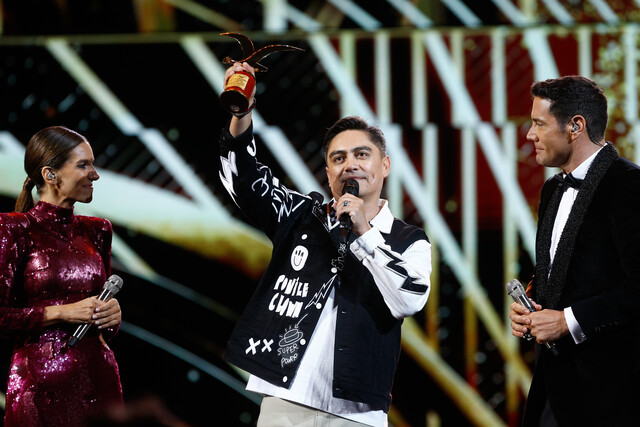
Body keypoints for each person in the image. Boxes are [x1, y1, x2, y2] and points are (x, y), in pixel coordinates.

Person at [218, 62, 431, 426]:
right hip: (284, 403)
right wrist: (242, 113)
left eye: (362, 154)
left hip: (357, 413)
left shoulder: (408, 240)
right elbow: (243, 183)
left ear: (385, 166)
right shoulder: (302, 215)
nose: (350, 164)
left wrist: (365, 232)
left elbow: (410, 298)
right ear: (329, 173)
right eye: (339, 158)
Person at [509, 76, 640, 426]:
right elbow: (566, 270)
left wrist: (567, 321)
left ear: (575, 127)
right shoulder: (552, 190)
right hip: (554, 386)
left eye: (539, 123)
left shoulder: (630, 186)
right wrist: (532, 305)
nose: (529, 135)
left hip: (613, 393)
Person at [0, 126, 123, 426]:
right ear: (50, 175)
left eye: (93, 164)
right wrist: (62, 313)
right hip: (40, 386)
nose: (94, 174)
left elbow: (101, 320)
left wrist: (112, 317)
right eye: (83, 165)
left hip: (99, 379)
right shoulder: (13, 228)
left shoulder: (98, 230)